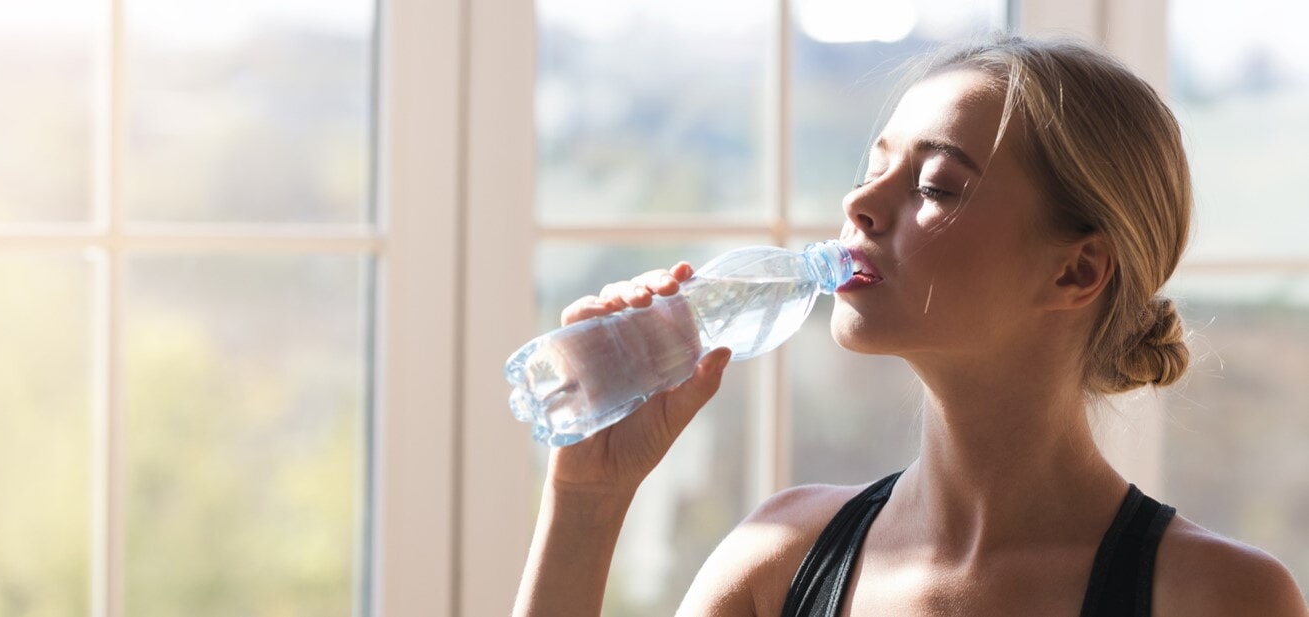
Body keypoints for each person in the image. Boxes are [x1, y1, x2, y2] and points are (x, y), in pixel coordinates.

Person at [512, 35, 1309, 616]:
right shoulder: (779, 560)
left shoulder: (1217, 597)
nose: (859, 205)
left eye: (936, 184)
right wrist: (590, 499)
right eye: (871, 168)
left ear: (1076, 271)